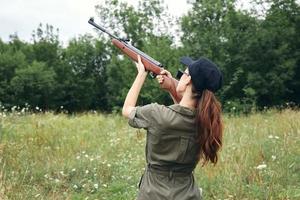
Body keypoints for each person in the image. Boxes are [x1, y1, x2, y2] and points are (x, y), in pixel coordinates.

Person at [122, 55, 223, 200]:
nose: (181, 76)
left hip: (153, 193)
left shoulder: (156, 114)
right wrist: (171, 87)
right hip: (188, 194)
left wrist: (141, 73)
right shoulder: (206, 122)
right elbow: (184, 112)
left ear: (188, 80)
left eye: (184, 73)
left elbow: (127, 109)